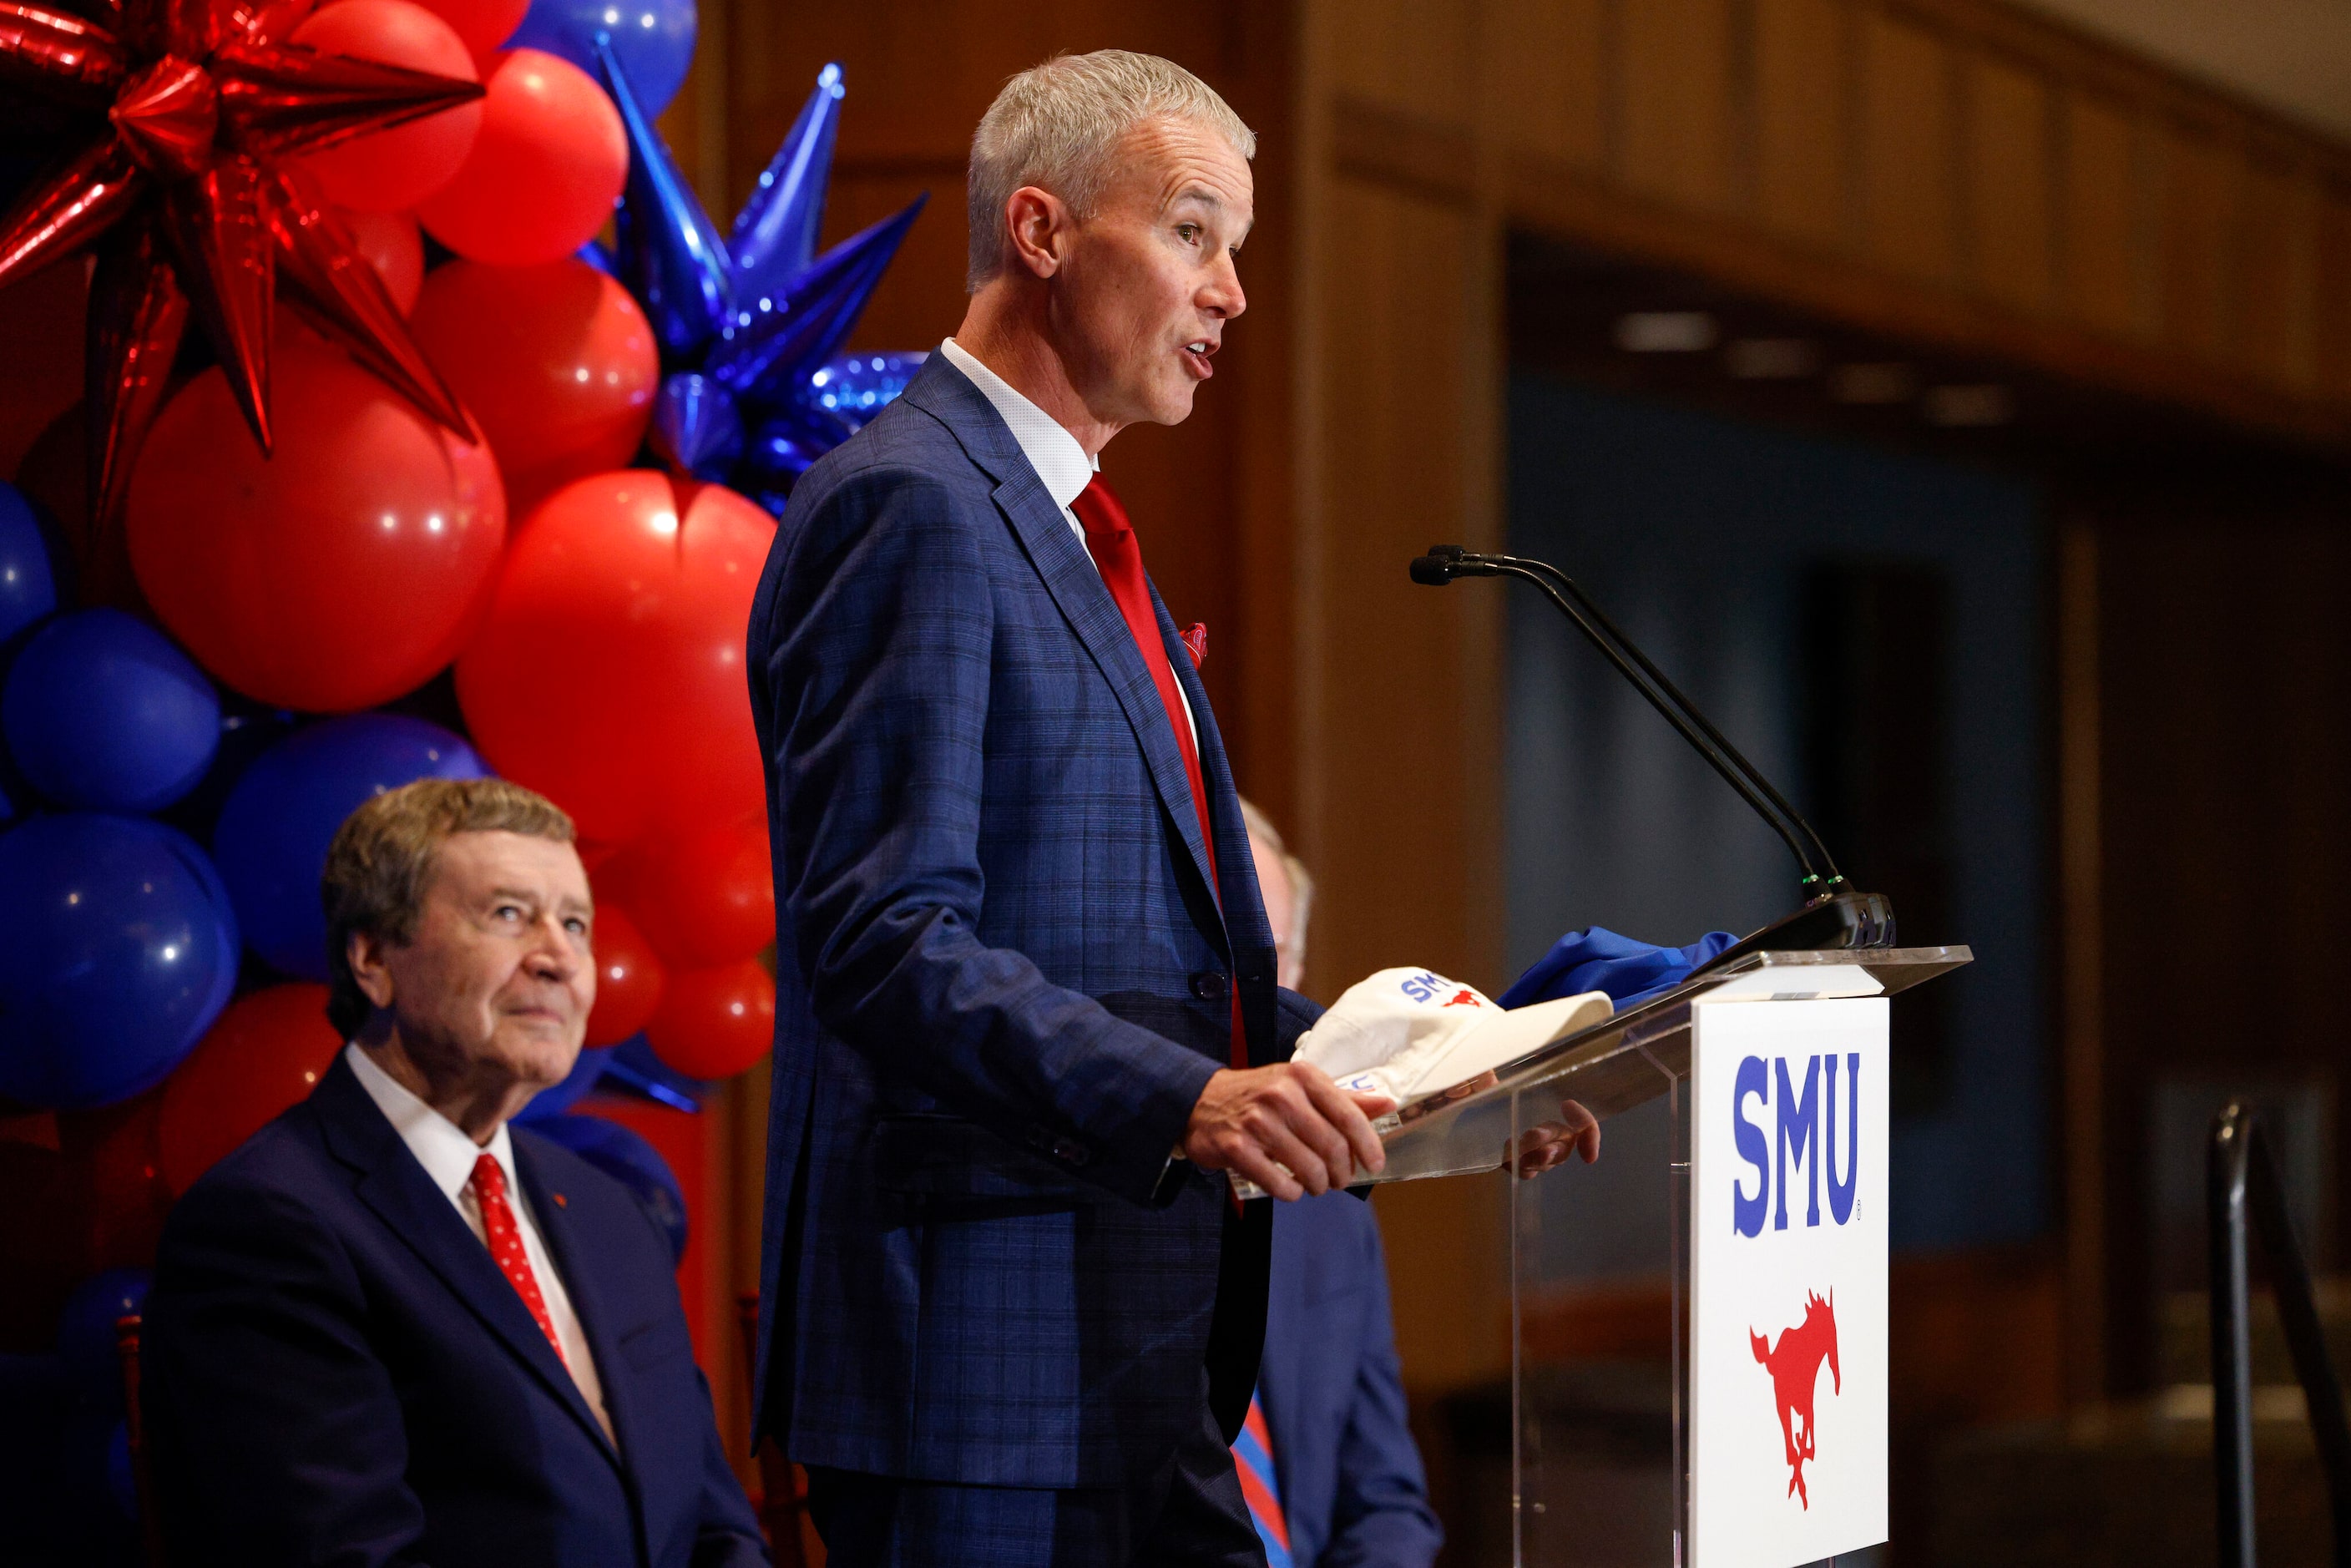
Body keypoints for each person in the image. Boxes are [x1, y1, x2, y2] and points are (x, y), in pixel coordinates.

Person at [746, 49, 1398, 1568]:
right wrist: (1188, 1097)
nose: (1232, 292)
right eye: (1191, 232)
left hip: (1133, 1352)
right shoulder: (910, 501)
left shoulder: (1077, 528)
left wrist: (1445, 1076)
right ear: (1041, 233)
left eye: (1234, 247)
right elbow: (883, 935)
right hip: (976, 1375)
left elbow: (1149, 962)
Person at [141, 779, 767, 1568]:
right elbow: (348, 1555)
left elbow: (717, 1526)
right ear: (373, 958)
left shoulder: (608, 1211)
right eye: (509, 915)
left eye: (576, 923)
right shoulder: (268, 1224)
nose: (560, 959)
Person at [1232, 802, 1443, 1568]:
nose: (1243, 987)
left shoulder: (1330, 1199)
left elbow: (1384, 1503)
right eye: (1219, 951)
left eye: (1270, 958)